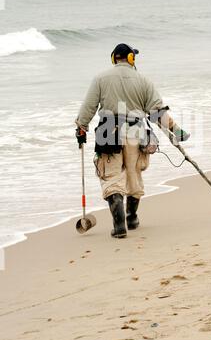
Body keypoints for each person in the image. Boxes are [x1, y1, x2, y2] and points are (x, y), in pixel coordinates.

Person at [75, 43, 190, 239]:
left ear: (114, 58)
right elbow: (157, 112)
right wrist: (176, 131)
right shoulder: (143, 80)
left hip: (108, 131)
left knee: (111, 177)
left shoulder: (100, 78)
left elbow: (88, 108)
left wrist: (81, 128)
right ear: (130, 59)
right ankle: (132, 217)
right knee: (133, 174)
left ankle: (119, 225)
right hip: (136, 133)